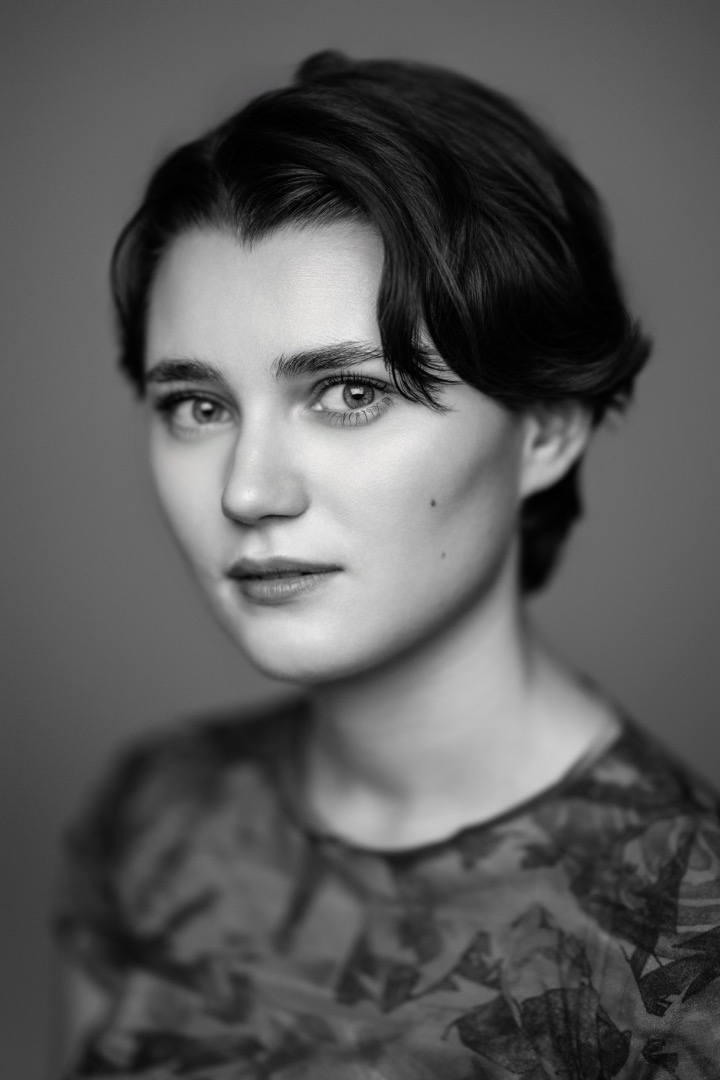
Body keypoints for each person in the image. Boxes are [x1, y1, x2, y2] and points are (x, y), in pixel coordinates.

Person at [54, 51, 720, 1078]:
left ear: (546, 427)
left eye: (351, 394)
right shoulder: (154, 820)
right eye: (198, 405)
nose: (248, 490)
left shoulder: (691, 927)